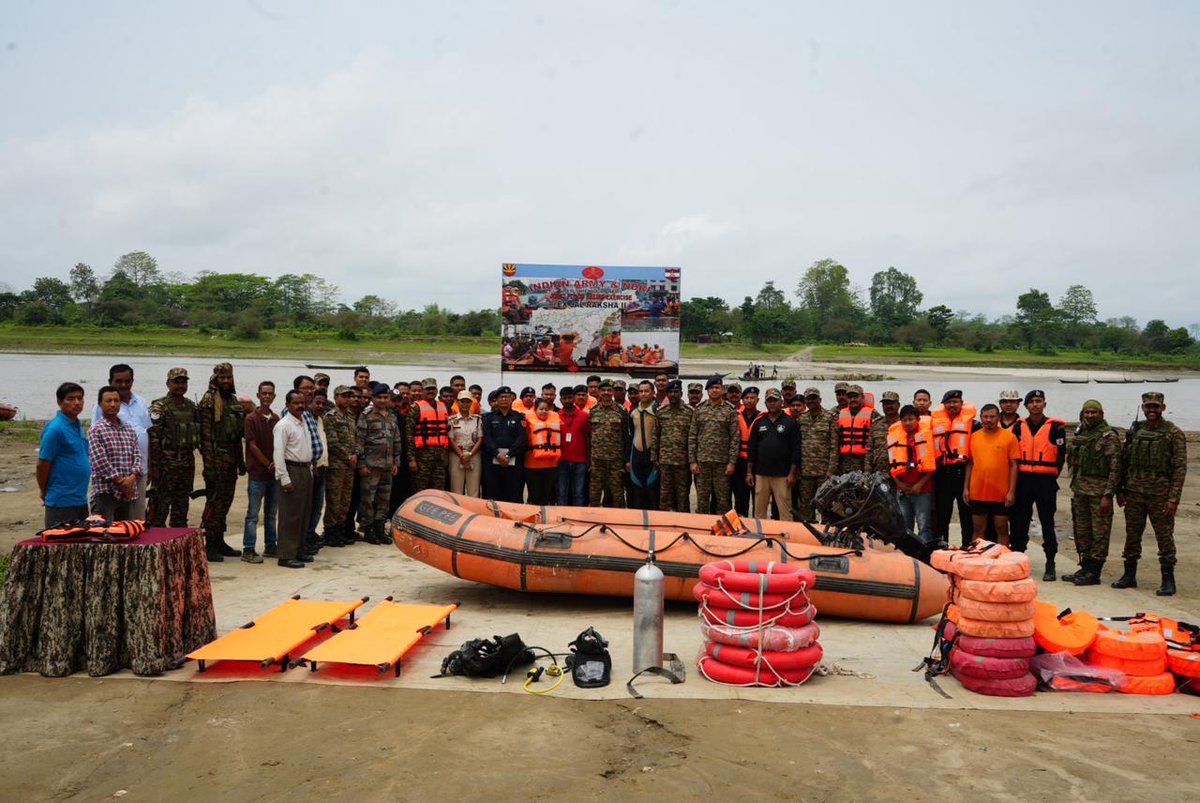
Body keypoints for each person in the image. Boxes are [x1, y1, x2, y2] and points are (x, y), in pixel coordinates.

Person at [1113, 391, 1187, 596]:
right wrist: (1120, 489)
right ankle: (1129, 575)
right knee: (1132, 535)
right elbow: (1124, 461)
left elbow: (1180, 468)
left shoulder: (1173, 433)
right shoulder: (1135, 431)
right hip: (1134, 493)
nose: (1152, 410)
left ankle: (1168, 579)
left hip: (1160, 495)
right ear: (1143, 408)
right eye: (1148, 407)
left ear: (1163, 408)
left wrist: (1173, 498)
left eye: (1155, 407)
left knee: (1164, 537)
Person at [1009, 390, 1067, 580]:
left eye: (1038, 401)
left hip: (1045, 482)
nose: (1035, 404)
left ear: (1044, 404)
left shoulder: (1056, 428)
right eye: (1031, 402)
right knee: (1020, 523)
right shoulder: (1018, 427)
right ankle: (1018, 561)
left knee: (1047, 523)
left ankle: (1050, 563)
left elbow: (1060, 455)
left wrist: (1051, 475)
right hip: (1024, 481)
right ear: (1026, 406)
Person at [1061, 400, 1120, 586]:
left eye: (1094, 412)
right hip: (1080, 490)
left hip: (1099, 492)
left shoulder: (1109, 436)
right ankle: (1085, 567)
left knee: (1099, 532)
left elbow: (1115, 468)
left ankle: (1094, 572)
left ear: (1101, 414)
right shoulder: (1081, 433)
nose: (1090, 416)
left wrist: (1108, 494)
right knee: (1082, 530)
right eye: (1087, 412)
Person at [198, 362, 246, 562]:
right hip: (216, 460)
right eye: (222, 378)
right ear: (216, 379)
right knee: (215, 503)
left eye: (228, 378)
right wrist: (209, 467)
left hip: (231, 459)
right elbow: (205, 437)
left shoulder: (232, 400)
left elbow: (237, 435)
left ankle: (220, 540)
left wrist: (241, 462)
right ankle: (209, 544)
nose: (226, 381)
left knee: (225, 502)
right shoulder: (209, 400)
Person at [91, 363, 152, 520]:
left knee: (136, 518)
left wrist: (137, 473)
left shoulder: (141, 402)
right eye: (119, 381)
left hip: (137, 472)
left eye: (127, 381)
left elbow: (144, 436)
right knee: (108, 523)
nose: (123, 385)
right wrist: (121, 480)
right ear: (110, 381)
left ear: (132, 381)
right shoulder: (100, 408)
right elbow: (97, 451)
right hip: (110, 479)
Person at [146, 367, 199, 528]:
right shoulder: (159, 407)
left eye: (184, 382)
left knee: (181, 509)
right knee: (159, 509)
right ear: (168, 384)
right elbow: (153, 439)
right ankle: (156, 545)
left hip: (186, 464)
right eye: (176, 382)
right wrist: (154, 466)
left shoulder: (191, 406)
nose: (180, 385)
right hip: (165, 465)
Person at [963, 404, 1020, 547]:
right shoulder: (973, 437)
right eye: (985, 417)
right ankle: (978, 558)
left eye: (992, 416)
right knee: (978, 528)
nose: (989, 420)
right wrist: (966, 488)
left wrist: (1011, 491)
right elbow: (970, 463)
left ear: (998, 417)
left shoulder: (1009, 437)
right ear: (981, 418)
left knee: (1001, 528)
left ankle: (1003, 561)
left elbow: (1014, 465)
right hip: (978, 491)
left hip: (1001, 492)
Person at [37, 382, 89, 528]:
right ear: (60, 402)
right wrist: (44, 491)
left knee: (80, 545)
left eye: (80, 398)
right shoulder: (55, 429)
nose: (77, 403)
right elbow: (42, 465)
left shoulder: (77, 425)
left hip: (80, 499)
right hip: (61, 500)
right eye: (71, 399)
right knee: (59, 546)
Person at [930, 389, 978, 547]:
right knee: (942, 516)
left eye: (955, 402)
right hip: (943, 474)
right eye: (949, 402)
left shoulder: (973, 424)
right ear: (944, 405)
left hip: (963, 473)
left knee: (966, 516)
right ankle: (942, 549)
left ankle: (966, 547)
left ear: (961, 403)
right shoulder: (933, 423)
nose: (952, 405)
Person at [273, 390, 315, 569]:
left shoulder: (303, 421)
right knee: (290, 516)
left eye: (302, 402)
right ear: (288, 405)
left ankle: (298, 550)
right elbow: (278, 454)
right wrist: (284, 479)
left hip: (305, 470)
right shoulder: (284, 425)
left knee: (304, 513)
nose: (300, 406)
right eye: (296, 403)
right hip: (292, 470)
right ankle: (286, 555)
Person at [886, 405, 936, 546]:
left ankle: (925, 555)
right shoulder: (895, 438)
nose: (908, 423)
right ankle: (907, 555)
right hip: (903, 489)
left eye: (911, 419)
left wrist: (919, 485)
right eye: (905, 420)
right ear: (900, 421)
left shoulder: (927, 436)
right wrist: (899, 484)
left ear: (918, 419)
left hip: (923, 489)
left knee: (924, 525)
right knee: (905, 526)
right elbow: (891, 464)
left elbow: (933, 464)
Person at [240, 381, 279, 563]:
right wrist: (267, 462)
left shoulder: (276, 419)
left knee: (271, 514)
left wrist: (275, 464)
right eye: (264, 393)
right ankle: (248, 549)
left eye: (270, 393)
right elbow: (252, 445)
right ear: (258, 395)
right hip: (257, 474)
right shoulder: (251, 419)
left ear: (274, 396)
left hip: (273, 475)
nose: (267, 396)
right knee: (253, 514)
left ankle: (271, 546)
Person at [746, 388, 799, 520]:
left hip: (782, 475)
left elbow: (796, 449)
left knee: (785, 510)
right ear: (765, 403)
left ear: (781, 402)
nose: (772, 403)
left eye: (775, 400)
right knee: (759, 510)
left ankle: (787, 535)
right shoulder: (759, 423)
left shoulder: (790, 422)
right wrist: (749, 472)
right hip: (761, 474)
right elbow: (751, 449)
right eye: (769, 401)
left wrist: (792, 473)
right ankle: (760, 534)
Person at [357, 383, 401, 544]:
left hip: (388, 466)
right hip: (371, 466)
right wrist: (361, 464)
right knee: (368, 500)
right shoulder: (366, 416)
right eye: (379, 397)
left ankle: (379, 528)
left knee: (384, 500)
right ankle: (367, 530)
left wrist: (396, 460)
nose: (383, 400)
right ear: (373, 398)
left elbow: (396, 440)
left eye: (385, 397)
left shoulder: (392, 416)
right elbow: (359, 442)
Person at [689, 377, 739, 514]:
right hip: (702, 462)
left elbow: (735, 437)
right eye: (711, 388)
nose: (714, 390)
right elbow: (693, 436)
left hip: (722, 463)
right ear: (707, 391)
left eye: (717, 387)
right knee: (702, 500)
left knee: (723, 501)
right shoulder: (699, 409)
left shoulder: (729, 410)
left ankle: (722, 531)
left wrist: (732, 462)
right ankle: (701, 529)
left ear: (722, 390)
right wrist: (692, 461)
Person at [293, 376, 327, 556]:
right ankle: (300, 543)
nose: (309, 391)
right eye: (305, 388)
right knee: (303, 509)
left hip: (317, 466)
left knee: (315, 506)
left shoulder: (311, 415)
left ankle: (308, 538)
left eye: (311, 388)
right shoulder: (293, 413)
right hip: (302, 468)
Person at [322, 386, 359, 547]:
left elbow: (356, 439)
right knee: (333, 500)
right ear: (336, 397)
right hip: (337, 466)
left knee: (345, 500)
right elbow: (332, 441)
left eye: (349, 396)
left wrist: (356, 454)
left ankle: (340, 531)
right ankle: (330, 533)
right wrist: (347, 456)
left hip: (350, 465)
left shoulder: (351, 416)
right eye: (344, 396)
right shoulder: (330, 417)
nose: (347, 399)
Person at [795, 387, 836, 521]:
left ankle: (826, 532)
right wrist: (797, 468)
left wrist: (831, 470)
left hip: (823, 472)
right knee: (806, 505)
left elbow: (834, 446)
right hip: (805, 471)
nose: (811, 401)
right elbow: (797, 445)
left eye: (814, 398)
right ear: (805, 401)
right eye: (809, 399)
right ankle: (807, 532)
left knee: (826, 505)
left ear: (820, 400)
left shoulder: (830, 418)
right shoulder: (801, 419)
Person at [654, 379, 693, 512]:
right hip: (665, 461)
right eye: (670, 392)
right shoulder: (661, 412)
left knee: (682, 496)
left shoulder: (690, 412)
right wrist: (655, 457)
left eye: (676, 392)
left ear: (681, 393)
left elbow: (693, 438)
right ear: (667, 394)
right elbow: (656, 436)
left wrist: (692, 459)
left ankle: (683, 523)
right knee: (665, 495)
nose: (673, 394)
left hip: (683, 462)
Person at [482, 386, 527, 503]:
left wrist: (508, 455)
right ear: (496, 400)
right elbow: (487, 438)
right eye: (501, 397)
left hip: (513, 461)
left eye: (507, 397)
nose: (504, 399)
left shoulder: (519, 417)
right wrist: (497, 454)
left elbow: (521, 439)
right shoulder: (488, 418)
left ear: (511, 399)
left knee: (513, 493)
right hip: (493, 461)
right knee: (493, 493)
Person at [588, 379, 628, 507]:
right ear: (599, 392)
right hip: (597, 459)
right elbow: (589, 435)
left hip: (615, 460)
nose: (606, 392)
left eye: (609, 390)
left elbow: (625, 435)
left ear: (612, 392)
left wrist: (625, 459)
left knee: (618, 494)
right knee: (594, 494)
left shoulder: (621, 410)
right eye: (603, 390)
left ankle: (619, 521)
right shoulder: (593, 410)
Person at [408, 378, 450, 493]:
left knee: (438, 491)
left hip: (440, 458)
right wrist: (411, 459)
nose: (431, 391)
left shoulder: (442, 406)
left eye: (433, 389)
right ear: (422, 391)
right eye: (428, 389)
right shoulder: (415, 408)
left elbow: (445, 433)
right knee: (420, 490)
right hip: (422, 458)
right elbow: (409, 435)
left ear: (436, 390)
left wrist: (446, 454)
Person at [626, 380, 659, 510]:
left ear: (653, 393)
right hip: (636, 456)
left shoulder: (659, 411)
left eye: (646, 391)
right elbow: (630, 435)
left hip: (652, 456)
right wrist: (628, 459)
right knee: (637, 492)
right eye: (641, 391)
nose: (643, 394)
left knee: (652, 492)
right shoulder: (633, 412)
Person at [833, 385, 879, 475]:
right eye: (850, 397)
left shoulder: (873, 414)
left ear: (862, 397)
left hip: (864, 462)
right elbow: (835, 441)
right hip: (844, 463)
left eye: (855, 396)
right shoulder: (839, 414)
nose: (852, 399)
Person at [556, 385, 590, 505]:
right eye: (564, 398)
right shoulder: (556, 416)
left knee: (579, 493)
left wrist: (588, 458)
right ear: (560, 400)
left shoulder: (584, 416)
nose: (567, 401)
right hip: (561, 460)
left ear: (574, 398)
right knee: (561, 493)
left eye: (570, 398)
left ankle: (577, 519)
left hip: (580, 461)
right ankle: (560, 518)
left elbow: (587, 438)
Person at [524, 398, 562, 504]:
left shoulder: (555, 418)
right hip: (532, 466)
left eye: (546, 409)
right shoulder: (526, 420)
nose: (544, 411)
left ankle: (545, 518)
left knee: (547, 496)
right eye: (541, 409)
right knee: (534, 496)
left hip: (551, 465)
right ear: (535, 410)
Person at [448, 390, 483, 497]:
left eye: (468, 401)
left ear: (471, 403)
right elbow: (450, 439)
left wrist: (470, 454)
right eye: (462, 401)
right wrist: (461, 455)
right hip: (457, 455)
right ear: (457, 402)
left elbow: (480, 438)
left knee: (474, 489)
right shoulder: (452, 420)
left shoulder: (477, 419)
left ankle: (473, 511)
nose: (465, 404)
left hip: (474, 454)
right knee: (456, 488)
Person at [732, 386, 760, 515]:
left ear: (757, 400)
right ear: (742, 400)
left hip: (757, 463)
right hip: (739, 462)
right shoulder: (735, 416)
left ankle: (757, 523)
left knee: (758, 497)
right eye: (747, 398)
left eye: (752, 398)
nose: (749, 401)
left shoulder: (762, 418)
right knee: (740, 497)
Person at [868, 391, 901, 476]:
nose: (888, 406)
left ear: (898, 405)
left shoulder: (905, 423)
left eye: (891, 403)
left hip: (901, 473)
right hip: (879, 472)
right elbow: (869, 451)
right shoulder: (876, 424)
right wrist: (867, 472)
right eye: (885, 404)